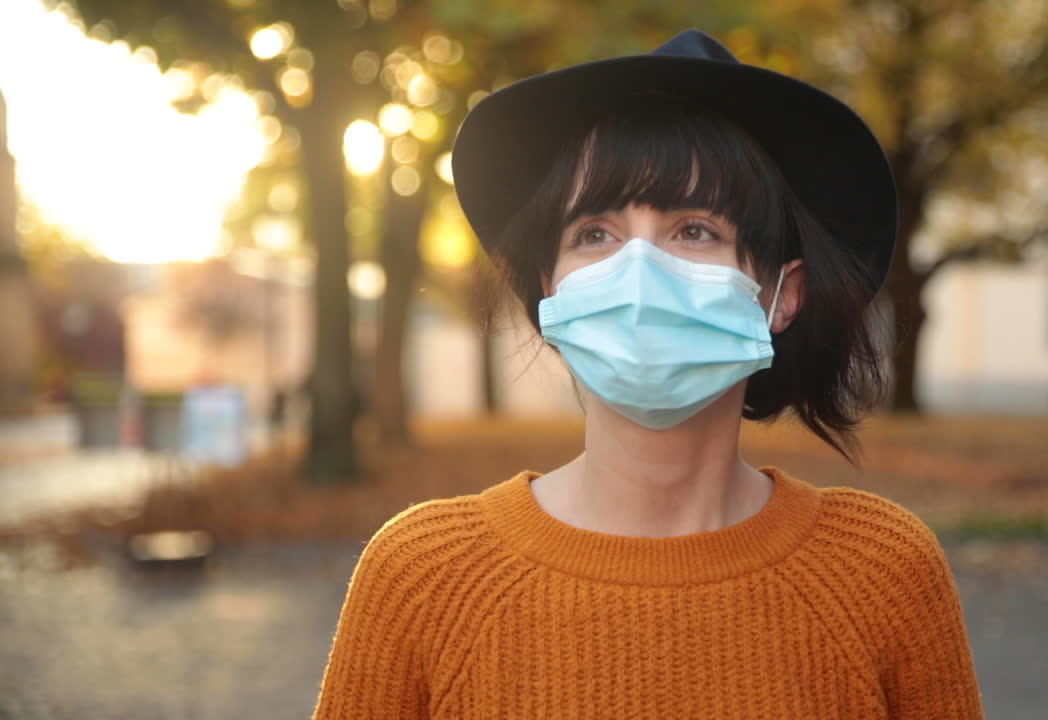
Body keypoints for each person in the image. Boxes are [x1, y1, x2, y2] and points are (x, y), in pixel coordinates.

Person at [312, 29, 983, 719]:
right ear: (550, 289)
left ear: (783, 293)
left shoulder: (884, 574)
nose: (635, 272)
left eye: (694, 230)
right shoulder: (422, 578)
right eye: (594, 234)